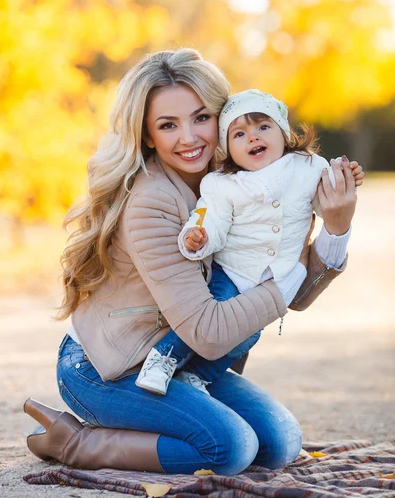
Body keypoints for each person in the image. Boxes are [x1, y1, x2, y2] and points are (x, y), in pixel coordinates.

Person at [24, 49, 363, 476]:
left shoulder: (238, 180)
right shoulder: (151, 202)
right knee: (230, 448)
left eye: (201, 118)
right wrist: (290, 273)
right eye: (168, 125)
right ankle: (77, 442)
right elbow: (210, 329)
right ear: (147, 135)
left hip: (183, 364)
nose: (190, 138)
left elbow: (295, 299)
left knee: (279, 444)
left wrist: (335, 226)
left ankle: (176, 420)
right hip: (108, 369)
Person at [135, 89, 364, 396]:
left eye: (263, 127)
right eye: (239, 133)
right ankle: (162, 359)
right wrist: (198, 238)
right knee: (212, 321)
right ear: (228, 148)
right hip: (234, 271)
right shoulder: (223, 184)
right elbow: (210, 218)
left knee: (245, 338)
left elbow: (329, 202)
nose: (253, 137)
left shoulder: (308, 168)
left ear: (283, 132)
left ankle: (197, 377)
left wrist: (345, 179)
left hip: (277, 276)